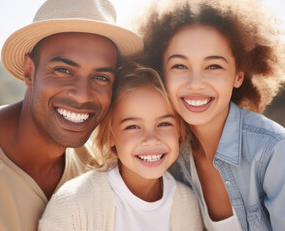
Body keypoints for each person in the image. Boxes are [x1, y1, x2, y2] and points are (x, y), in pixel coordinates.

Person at [0, 0, 143, 230]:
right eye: (63, 70)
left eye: (101, 77)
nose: (82, 94)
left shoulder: (99, 167)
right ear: (29, 72)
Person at [137, 0, 285, 230]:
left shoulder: (275, 153)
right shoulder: (169, 155)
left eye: (213, 66)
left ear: (238, 75)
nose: (195, 83)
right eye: (179, 65)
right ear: (163, 73)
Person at [38, 62, 204, 230]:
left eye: (164, 124)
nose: (151, 139)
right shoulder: (73, 205)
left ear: (179, 131)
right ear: (110, 136)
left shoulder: (186, 203)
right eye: (132, 127)